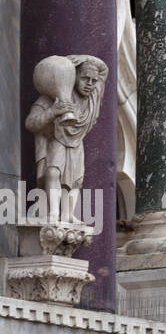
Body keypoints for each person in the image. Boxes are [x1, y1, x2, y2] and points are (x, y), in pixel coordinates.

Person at [25, 55, 108, 224]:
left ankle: (69, 214)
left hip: (76, 142)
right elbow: (31, 123)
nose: (90, 84)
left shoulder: (93, 98)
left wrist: (74, 61)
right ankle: (54, 212)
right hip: (56, 138)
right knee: (53, 172)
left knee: (77, 180)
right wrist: (53, 112)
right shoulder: (52, 97)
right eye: (85, 78)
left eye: (93, 80)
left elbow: (103, 69)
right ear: (73, 77)